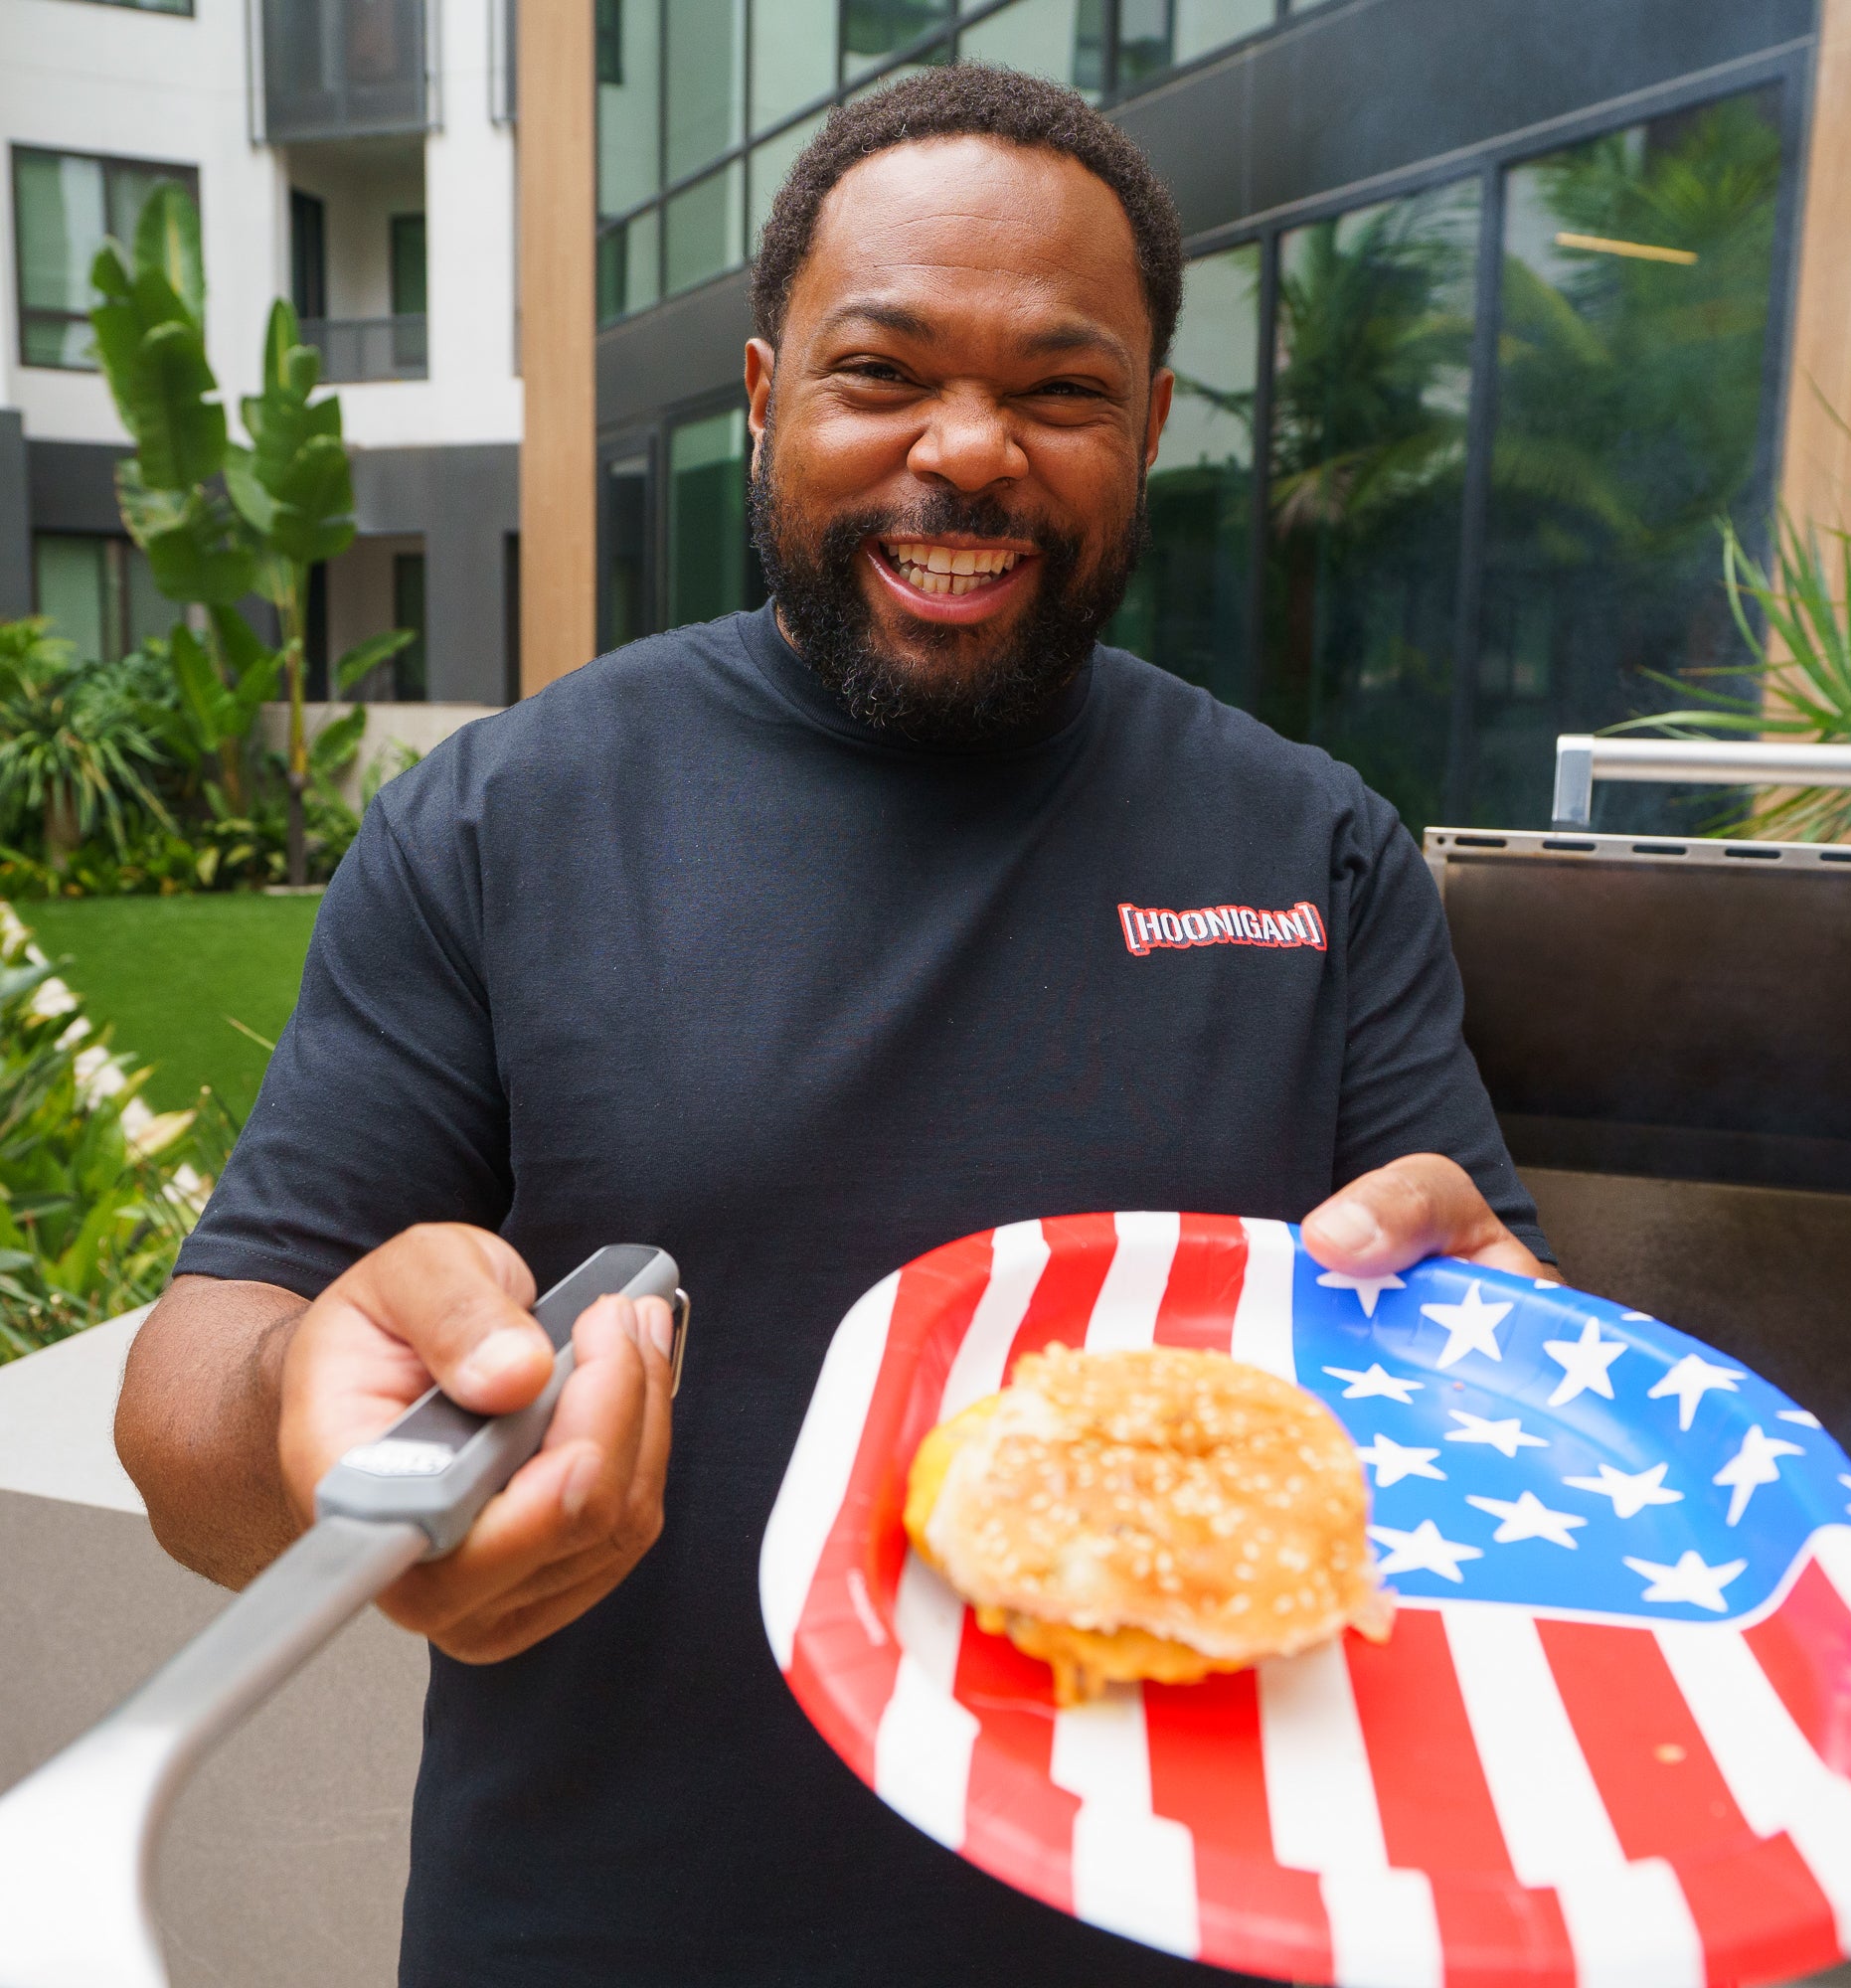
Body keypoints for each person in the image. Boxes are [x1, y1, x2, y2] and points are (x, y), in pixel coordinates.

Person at [116, 65, 1552, 1988]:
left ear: (1146, 429)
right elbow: (191, 1403)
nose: (971, 452)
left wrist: (1510, 1345)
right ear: (764, 393)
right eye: (883, 371)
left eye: (1062, 391)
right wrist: (311, 1437)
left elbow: (1494, 1345)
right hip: (607, 1939)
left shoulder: (1316, 846)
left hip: (1202, 1929)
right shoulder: (505, 820)